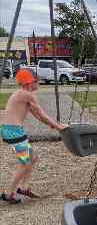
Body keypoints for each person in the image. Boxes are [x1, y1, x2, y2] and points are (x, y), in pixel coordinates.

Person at [0, 68, 67, 203]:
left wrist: (52, 124)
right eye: (36, 81)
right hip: (13, 131)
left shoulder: (22, 94)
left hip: (11, 130)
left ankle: (23, 188)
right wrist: (59, 126)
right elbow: (41, 113)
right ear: (28, 82)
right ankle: (9, 193)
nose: (38, 83)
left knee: (33, 157)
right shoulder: (26, 94)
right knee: (25, 163)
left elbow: (37, 115)